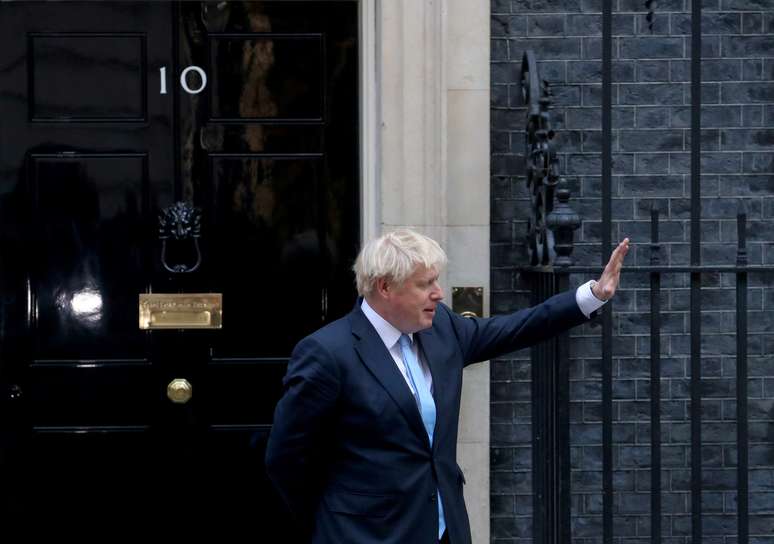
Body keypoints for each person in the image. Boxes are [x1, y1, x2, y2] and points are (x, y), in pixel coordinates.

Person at [266, 229, 630, 544]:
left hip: (444, 530)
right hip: (365, 534)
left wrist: (591, 296)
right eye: (425, 284)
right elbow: (287, 458)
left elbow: (513, 329)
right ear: (385, 287)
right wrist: (332, 522)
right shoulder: (328, 353)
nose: (439, 294)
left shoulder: (442, 329)